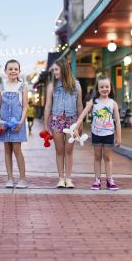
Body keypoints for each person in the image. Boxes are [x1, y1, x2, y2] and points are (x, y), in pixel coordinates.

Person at [74, 75, 121, 190]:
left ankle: (110, 180)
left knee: (107, 157)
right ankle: (97, 180)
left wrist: (118, 137)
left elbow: (118, 121)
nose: (104, 89)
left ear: (110, 87)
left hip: (109, 134)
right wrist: (76, 127)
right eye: (102, 87)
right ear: (98, 89)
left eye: (107, 86)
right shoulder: (93, 102)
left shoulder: (113, 103)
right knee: (97, 156)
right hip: (96, 134)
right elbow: (82, 116)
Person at [43, 59, 83, 188]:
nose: (54, 72)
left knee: (69, 150)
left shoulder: (76, 85)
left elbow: (79, 105)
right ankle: (61, 178)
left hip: (72, 121)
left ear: (63, 69)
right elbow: (48, 105)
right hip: (56, 120)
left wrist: (80, 123)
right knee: (59, 150)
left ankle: (69, 178)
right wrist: (45, 124)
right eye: (53, 70)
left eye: (56, 69)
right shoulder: (51, 86)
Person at [0, 59, 28, 188]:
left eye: (16, 69)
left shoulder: (23, 87)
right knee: (7, 150)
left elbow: (25, 106)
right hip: (4, 124)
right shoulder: (1, 87)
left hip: (17, 124)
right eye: (10, 69)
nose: (13, 71)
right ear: (5, 71)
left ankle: (23, 179)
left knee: (17, 149)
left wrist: (21, 122)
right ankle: (9, 178)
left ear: (19, 71)